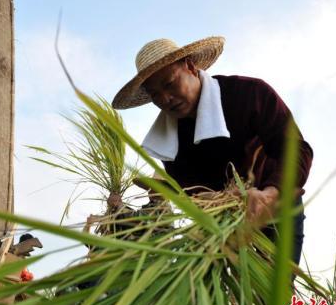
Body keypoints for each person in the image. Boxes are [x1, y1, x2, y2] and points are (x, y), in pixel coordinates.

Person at [111, 37, 313, 266]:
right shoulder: (170, 142)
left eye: (169, 84)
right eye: (155, 94)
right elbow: (194, 195)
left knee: (277, 291)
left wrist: (269, 194)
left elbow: (295, 150)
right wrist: (216, 202)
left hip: (277, 206)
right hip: (225, 226)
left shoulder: (248, 94)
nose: (165, 99)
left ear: (190, 67)